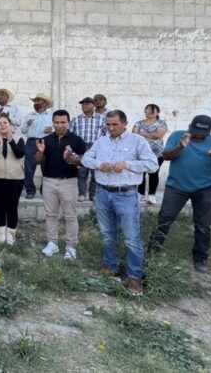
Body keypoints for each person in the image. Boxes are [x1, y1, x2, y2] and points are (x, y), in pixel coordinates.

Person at [81, 110, 158, 296]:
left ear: (124, 123)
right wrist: (99, 164)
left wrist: (128, 164)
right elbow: (85, 159)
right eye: (107, 124)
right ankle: (111, 267)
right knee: (108, 233)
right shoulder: (101, 141)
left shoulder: (137, 141)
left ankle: (134, 276)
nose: (110, 128)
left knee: (131, 237)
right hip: (102, 193)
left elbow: (152, 164)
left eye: (114, 124)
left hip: (125, 194)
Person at [147, 115, 211, 273]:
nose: (198, 135)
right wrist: (180, 146)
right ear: (190, 126)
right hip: (177, 187)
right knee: (164, 219)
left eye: (202, 133)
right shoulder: (178, 135)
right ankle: (152, 251)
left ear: (209, 132)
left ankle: (200, 258)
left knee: (203, 226)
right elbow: (167, 156)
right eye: (195, 131)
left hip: (205, 188)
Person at [34, 109, 87, 259]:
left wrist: (72, 158)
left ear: (68, 123)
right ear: (53, 123)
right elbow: (36, 161)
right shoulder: (46, 139)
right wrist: (40, 151)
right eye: (56, 122)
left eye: (63, 122)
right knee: (50, 215)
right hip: (49, 181)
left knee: (70, 216)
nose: (59, 125)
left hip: (69, 182)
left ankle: (71, 246)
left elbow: (83, 162)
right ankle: (52, 243)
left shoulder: (77, 140)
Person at [0, 113, 26, 245]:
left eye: (5, 123)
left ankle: (11, 234)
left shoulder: (19, 139)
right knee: (0, 206)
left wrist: (11, 140)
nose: (2, 125)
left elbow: (20, 154)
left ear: (10, 125)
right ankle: (1, 233)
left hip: (16, 178)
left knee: (12, 206)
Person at [70, 97, 107, 202]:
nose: (84, 106)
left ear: (93, 105)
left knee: (95, 172)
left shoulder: (102, 119)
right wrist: (73, 151)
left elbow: (106, 135)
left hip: (96, 148)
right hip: (81, 147)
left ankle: (93, 194)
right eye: (83, 104)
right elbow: (71, 136)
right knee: (81, 171)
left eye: (87, 104)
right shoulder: (76, 119)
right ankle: (82, 193)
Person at [132, 104, 168, 204]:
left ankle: (152, 195)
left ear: (157, 112)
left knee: (154, 174)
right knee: (141, 173)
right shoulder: (139, 123)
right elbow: (134, 135)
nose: (148, 111)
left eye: (151, 109)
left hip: (157, 153)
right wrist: (152, 135)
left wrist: (142, 134)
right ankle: (140, 193)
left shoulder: (161, 123)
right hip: (140, 153)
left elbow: (159, 135)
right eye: (147, 109)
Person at [21, 93, 54, 199]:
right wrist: (27, 125)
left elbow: (58, 129)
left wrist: (52, 130)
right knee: (28, 168)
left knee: (47, 167)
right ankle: (30, 190)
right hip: (31, 142)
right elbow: (23, 130)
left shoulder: (51, 115)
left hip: (46, 142)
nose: (35, 103)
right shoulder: (29, 115)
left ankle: (45, 191)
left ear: (45, 103)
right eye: (34, 101)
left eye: (38, 101)